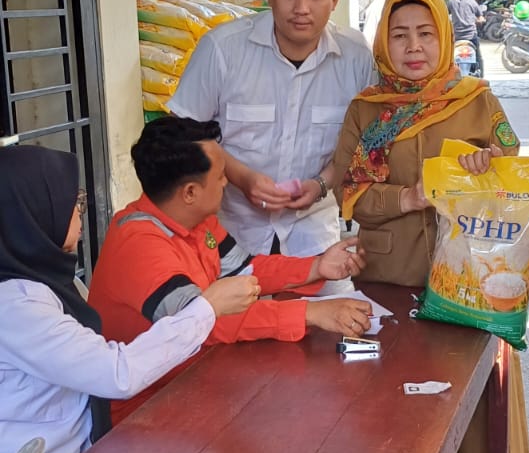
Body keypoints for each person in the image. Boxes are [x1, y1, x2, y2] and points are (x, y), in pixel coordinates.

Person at [331, 0, 529, 453]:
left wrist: (485, 168)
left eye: (425, 33)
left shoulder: (475, 100)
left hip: (472, 274)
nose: (413, 46)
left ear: (445, 37)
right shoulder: (368, 110)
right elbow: (352, 194)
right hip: (391, 276)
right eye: (400, 35)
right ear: (384, 42)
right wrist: (410, 195)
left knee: (482, 398)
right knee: (401, 406)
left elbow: (513, 175)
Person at [0, 145, 259, 453]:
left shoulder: (47, 280)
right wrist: (208, 307)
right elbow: (116, 372)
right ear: (33, 214)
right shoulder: (16, 307)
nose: (78, 213)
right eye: (72, 203)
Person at [89, 115, 371, 425]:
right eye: (221, 176)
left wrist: (318, 266)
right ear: (190, 193)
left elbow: (247, 270)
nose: (227, 183)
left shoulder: (198, 220)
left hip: (200, 379)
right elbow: (204, 322)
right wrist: (310, 313)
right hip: (145, 409)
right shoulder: (139, 245)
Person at [170, 0, 375, 261]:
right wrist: (241, 177)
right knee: (234, 312)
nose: (301, 9)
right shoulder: (222, 49)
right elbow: (180, 136)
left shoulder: (356, 57)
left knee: (331, 309)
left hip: (315, 231)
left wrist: (322, 184)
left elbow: (365, 144)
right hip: (228, 230)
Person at [447, 0, 484, 76]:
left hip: (456, 37)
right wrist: (478, 21)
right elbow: (480, 18)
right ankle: (481, 76)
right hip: (471, 37)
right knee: (478, 57)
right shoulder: (472, 2)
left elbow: (445, 16)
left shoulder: (451, 2)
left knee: (447, 56)